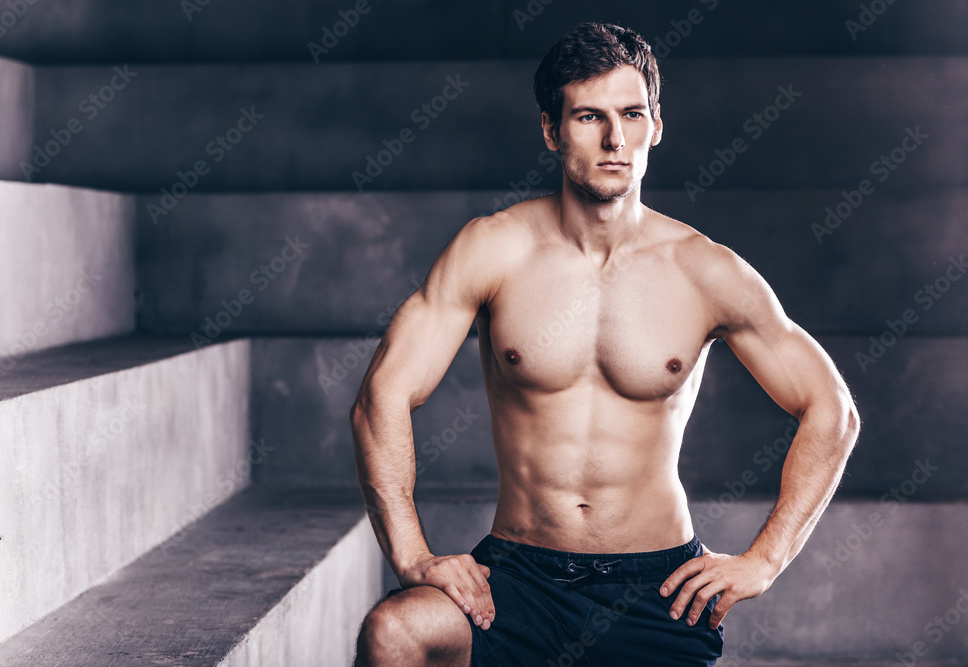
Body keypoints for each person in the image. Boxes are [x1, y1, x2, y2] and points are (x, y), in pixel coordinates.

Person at [349, 21, 859, 667]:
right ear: (551, 129)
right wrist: (411, 553)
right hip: (516, 580)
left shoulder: (704, 269)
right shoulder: (494, 248)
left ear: (656, 125)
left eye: (631, 114)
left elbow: (832, 409)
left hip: (659, 589)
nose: (615, 138)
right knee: (393, 633)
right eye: (590, 116)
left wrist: (766, 559)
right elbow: (380, 398)